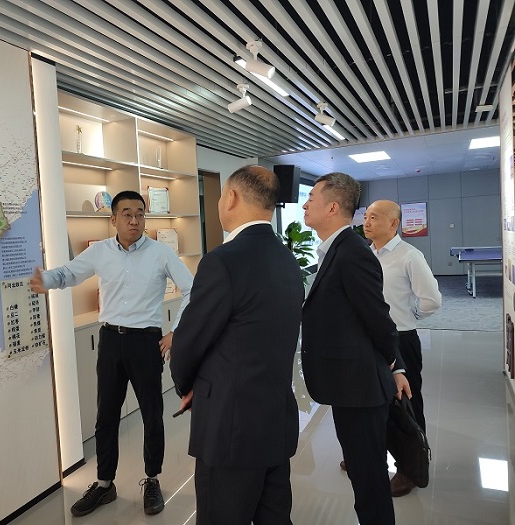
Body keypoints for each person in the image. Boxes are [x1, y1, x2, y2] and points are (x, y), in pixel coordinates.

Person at [29, 190, 193, 517]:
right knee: (106, 415)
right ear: (113, 218)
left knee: (151, 414)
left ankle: (152, 479)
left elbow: (192, 289)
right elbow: (69, 273)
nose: (134, 220)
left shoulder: (161, 253)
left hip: (146, 342)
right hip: (110, 341)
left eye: (140, 214)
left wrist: (177, 331)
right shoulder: (100, 251)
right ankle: (105, 484)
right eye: (127, 214)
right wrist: (46, 279)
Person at [170, 165, 304, 525]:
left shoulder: (222, 261)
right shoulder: (287, 259)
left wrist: (187, 385)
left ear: (230, 198)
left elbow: (189, 341)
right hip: (275, 420)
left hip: (230, 430)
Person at [301, 172, 411, 525]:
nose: (305, 205)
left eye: (311, 198)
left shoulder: (351, 253)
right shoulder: (335, 250)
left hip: (360, 386)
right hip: (348, 384)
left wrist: (396, 365)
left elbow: (378, 318)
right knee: (364, 473)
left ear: (332, 207)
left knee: (369, 479)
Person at [363, 199, 441, 496]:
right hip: (371, 339)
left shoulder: (410, 255)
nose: (366, 222)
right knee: (374, 399)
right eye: (366, 216)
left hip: (401, 339)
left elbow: (432, 300)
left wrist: (410, 317)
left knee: (406, 402)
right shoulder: (367, 254)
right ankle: (371, 456)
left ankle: (410, 467)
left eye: (374, 217)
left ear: (394, 223)